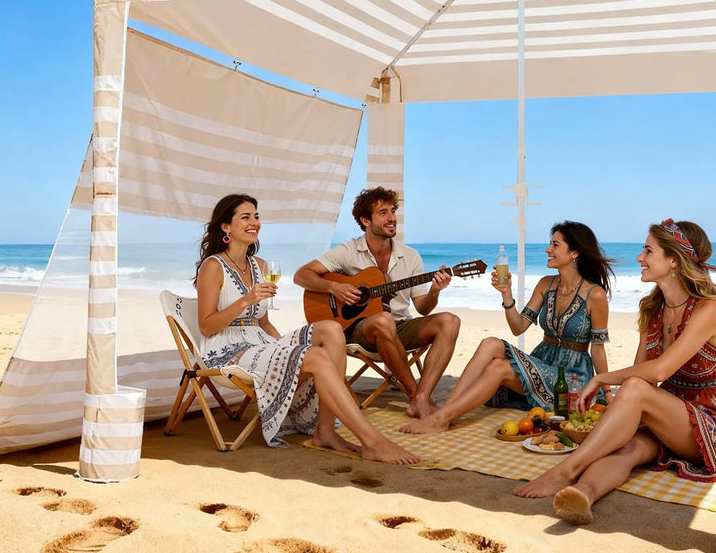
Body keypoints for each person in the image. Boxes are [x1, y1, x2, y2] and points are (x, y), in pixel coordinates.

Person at [514, 219, 716, 523]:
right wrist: (618, 416)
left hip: (715, 422)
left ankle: (564, 471)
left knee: (635, 389)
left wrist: (601, 379)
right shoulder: (653, 309)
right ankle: (583, 493)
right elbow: (639, 372)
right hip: (671, 414)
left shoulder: (708, 310)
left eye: (648, 251)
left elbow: (658, 372)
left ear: (673, 260)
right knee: (626, 449)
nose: (639, 258)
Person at [195, 193, 419, 465]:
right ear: (226, 227)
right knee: (316, 356)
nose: (254, 222)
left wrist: (284, 347)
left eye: (256, 216)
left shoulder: (260, 266)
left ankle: (325, 430)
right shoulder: (213, 266)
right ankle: (372, 442)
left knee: (331, 329)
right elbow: (206, 326)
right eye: (245, 217)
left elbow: (263, 322)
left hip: (260, 342)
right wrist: (246, 300)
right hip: (229, 350)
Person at [399, 221, 613, 435]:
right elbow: (518, 327)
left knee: (498, 367)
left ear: (574, 253)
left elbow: (597, 350)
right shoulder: (546, 284)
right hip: (543, 360)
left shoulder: (595, 294)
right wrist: (506, 294)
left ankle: (442, 418)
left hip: (571, 376)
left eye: (555, 245)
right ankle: (444, 413)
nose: (548, 249)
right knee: (490, 343)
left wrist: (607, 393)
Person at [293, 187, 460, 419]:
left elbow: (423, 308)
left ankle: (422, 398)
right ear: (366, 220)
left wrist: (434, 291)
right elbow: (301, 275)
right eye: (383, 213)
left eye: (392, 211)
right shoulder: (348, 251)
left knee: (450, 321)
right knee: (382, 320)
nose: (392, 218)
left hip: (400, 326)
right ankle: (415, 395)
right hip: (360, 330)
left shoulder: (410, 256)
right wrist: (334, 287)